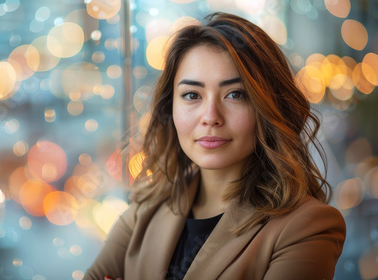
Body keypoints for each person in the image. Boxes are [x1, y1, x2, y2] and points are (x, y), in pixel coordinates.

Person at [84, 12, 346, 280]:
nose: (210, 116)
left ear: (267, 107)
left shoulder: (307, 226)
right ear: (170, 107)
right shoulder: (148, 206)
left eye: (235, 94)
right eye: (192, 95)